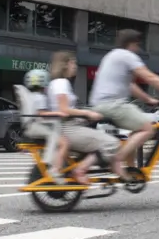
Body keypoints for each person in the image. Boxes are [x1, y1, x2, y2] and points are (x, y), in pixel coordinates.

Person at [89, 29, 159, 179]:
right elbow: (149, 77)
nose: (138, 49)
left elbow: (130, 86)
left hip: (99, 104)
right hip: (113, 105)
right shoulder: (127, 56)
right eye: (137, 45)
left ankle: (131, 171)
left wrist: (148, 100)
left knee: (135, 132)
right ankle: (116, 160)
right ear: (132, 44)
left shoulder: (111, 56)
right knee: (148, 129)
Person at [46, 52, 117, 185]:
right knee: (111, 143)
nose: (75, 66)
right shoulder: (61, 83)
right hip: (67, 128)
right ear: (65, 65)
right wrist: (87, 113)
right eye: (73, 63)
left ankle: (81, 165)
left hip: (66, 126)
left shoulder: (57, 83)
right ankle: (80, 170)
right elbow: (64, 110)